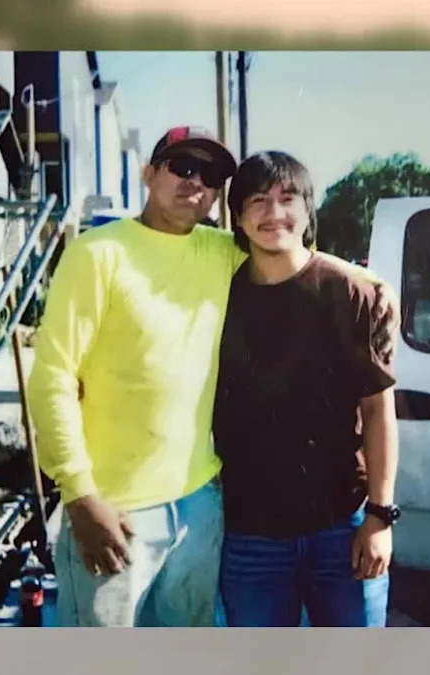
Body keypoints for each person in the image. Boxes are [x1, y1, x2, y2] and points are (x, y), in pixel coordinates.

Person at [26, 127, 397, 627]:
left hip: (201, 509)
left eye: (211, 175)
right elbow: (53, 377)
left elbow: (293, 253)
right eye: (182, 167)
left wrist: (373, 285)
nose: (195, 182)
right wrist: (79, 494)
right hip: (115, 508)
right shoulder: (97, 253)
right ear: (149, 173)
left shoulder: (220, 250)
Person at [213, 151, 400, 627]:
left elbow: (378, 411)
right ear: (238, 216)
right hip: (250, 537)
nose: (274, 212)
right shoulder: (218, 296)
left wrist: (380, 517)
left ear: (307, 209)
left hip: (343, 527)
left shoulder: (350, 292)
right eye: (258, 200)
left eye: (288, 198)